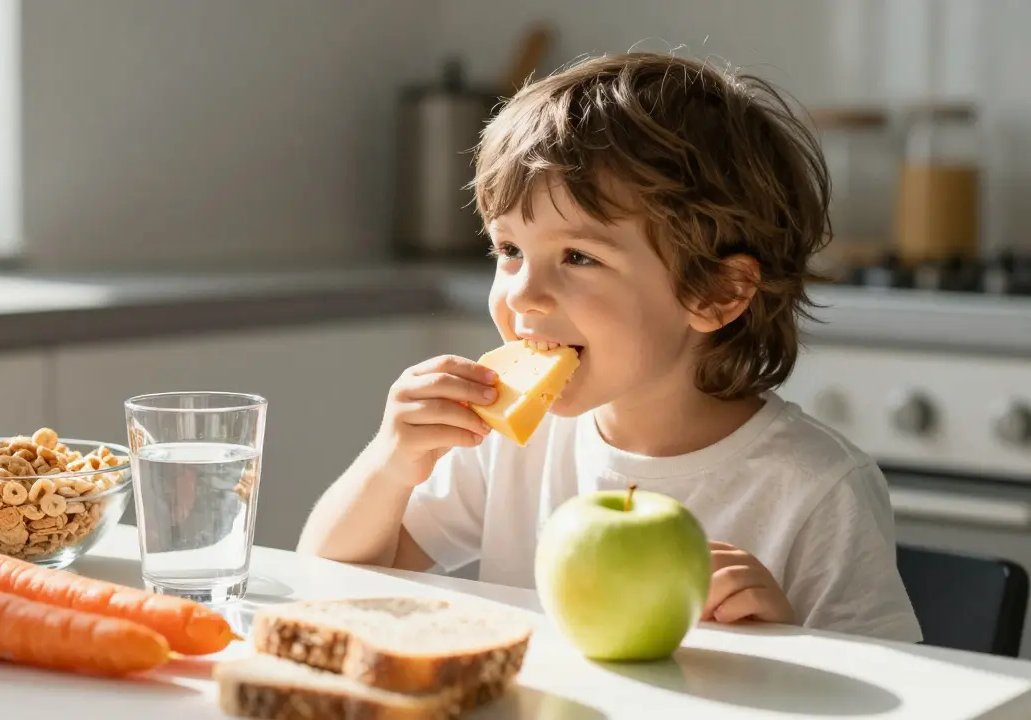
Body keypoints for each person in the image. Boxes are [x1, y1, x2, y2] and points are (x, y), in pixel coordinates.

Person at [296, 51, 922, 642]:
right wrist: (390, 463)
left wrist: (784, 648)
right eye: (509, 250)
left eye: (578, 256)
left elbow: (908, 695)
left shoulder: (817, 489)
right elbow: (328, 588)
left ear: (716, 294)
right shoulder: (511, 442)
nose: (523, 295)